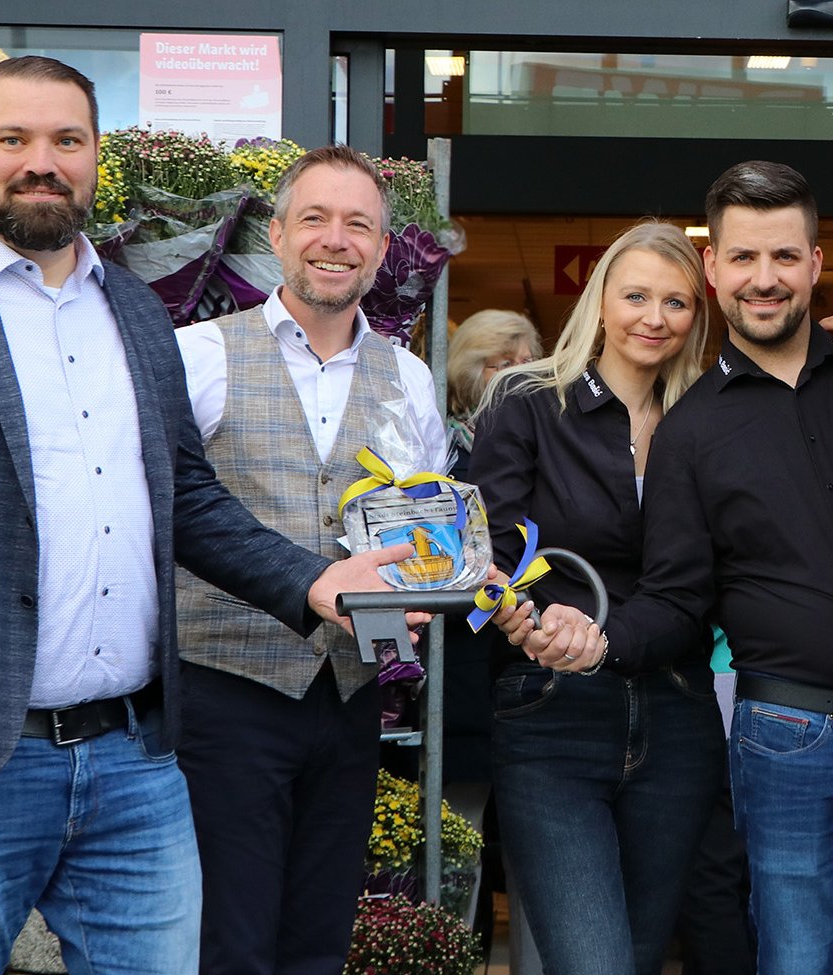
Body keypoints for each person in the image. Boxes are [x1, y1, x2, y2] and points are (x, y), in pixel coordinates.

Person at [0, 56, 413, 974]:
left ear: (94, 159)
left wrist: (315, 581)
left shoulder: (134, 309)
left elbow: (187, 498)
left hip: (135, 762)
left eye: (67, 141)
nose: (42, 161)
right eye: (15, 139)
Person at [502, 161, 833, 974]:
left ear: (816, 260)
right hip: (790, 743)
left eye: (783, 257)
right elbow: (675, 596)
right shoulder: (690, 431)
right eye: (742, 258)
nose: (763, 279)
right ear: (713, 270)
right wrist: (600, 639)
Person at [171, 145, 448, 974]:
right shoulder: (200, 354)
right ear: (280, 235)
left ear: (384, 245)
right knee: (231, 941)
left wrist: (430, 586)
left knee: (319, 941)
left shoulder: (408, 377)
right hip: (226, 693)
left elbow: (426, 524)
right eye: (316, 219)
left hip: (349, 697)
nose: (337, 240)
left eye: (358, 223)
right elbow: (170, 513)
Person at [467, 221, 724, 974]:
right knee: (593, 961)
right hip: (553, 709)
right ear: (600, 300)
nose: (654, 316)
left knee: (637, 959)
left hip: (678, 712)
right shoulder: (528, 400)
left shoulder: (707, 418)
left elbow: (706, 577)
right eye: (636, 295)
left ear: (697, 315)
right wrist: (523, 614)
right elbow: (494, 549)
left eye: (676, 302)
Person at [445, 309, 541, 474]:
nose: (520, 373)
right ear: (470, 373)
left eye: (527, 361)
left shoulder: (543, 434)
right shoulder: (445, 446)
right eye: (506, 364)